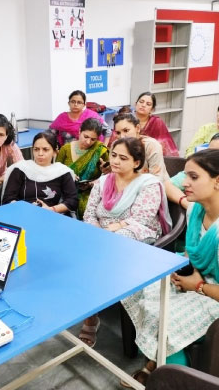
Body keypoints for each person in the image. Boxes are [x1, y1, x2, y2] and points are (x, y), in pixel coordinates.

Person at [121, 149, 219, 387]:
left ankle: (173, 376)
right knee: (138, 286)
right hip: (194, 276)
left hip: (212, 293)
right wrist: (183, 271)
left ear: (217, 181)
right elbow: (191, 252)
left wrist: (197, 285)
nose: (184, 182)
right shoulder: (197, 209)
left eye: (193, 177)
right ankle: (158, 360)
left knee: (163, 317)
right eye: (186, 175)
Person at [80, 137, 171, 348]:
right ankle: (90, 313)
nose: (115, 161)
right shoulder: (102, 182)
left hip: (136, 232)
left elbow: (142, 218)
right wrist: (96, 230)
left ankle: (94, 306)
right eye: (113, 155)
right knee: (82, 243)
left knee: (109, 246)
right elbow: (90, 213)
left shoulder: (149, 183)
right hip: (102, 233)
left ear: (137, 163)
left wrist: (112, 229)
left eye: (123, 158)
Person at [1, 131, 78, 214]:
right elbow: (8, 199)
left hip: (51, 215)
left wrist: (51, 209)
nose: (40, 154)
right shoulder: (21, 169)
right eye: (36, 149)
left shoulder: (62, 172)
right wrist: (27, 209)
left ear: (55, 152)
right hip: (22, 214)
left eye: (45, 150)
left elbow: (72, 201)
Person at [56, 118, 109, 218]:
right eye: (86, 136)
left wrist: (93, 182)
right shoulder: (65, 149)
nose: (88, 142)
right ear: (80, 131)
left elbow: (109, 177)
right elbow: (55, 171)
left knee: (87, 208)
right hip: (66, 191)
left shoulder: (99, 150)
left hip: (91, 192)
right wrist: (68, 175)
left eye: (93, 139)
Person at [165, 133, 219, 210]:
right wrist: (188, 204)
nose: (184, 183)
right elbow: (168, 185)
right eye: (210, 151)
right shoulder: (200, 169)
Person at [113, 113, 170, 183]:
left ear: (137, 128)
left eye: (126, 130)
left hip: (151, 187)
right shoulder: (116, 145)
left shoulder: (151, 146)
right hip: (124, 186)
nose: (122, 136)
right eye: (118, 133)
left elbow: (157, 178)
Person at [134, 91, 179, 157]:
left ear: (152, 109)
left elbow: (164, 146)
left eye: (148, 104)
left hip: (151, 157)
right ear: (135, 104)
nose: (143, 105)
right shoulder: (126, 120)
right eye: (141, 102)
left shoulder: (157, 122)